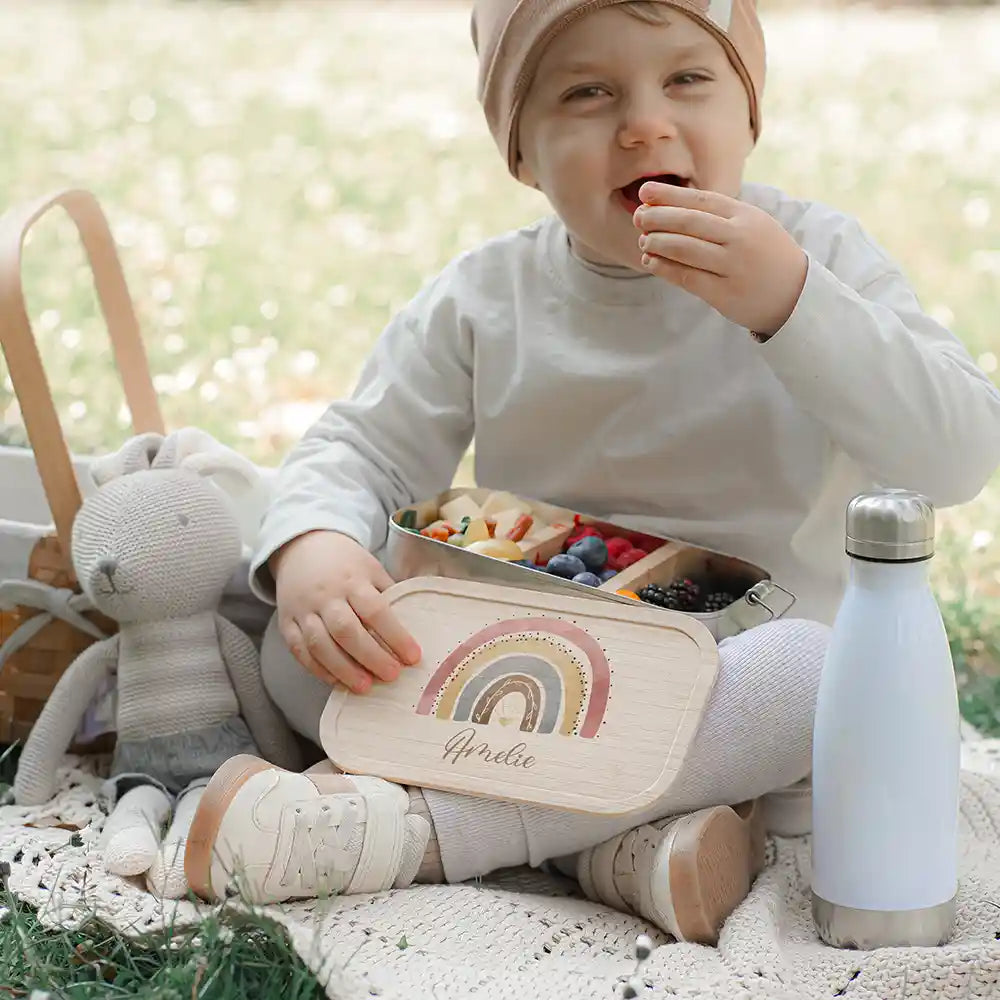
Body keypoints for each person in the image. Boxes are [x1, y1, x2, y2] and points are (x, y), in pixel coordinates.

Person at [182, 0, 1000, 944]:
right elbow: (358, 448)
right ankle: (615, 848)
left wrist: (795, 306)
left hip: (732, 682)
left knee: (816, 670)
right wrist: (316, 552)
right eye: (587, 91)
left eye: (689, 80)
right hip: (530, 681)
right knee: (304, 640)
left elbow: (960, 455)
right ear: (521, 153)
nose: (646, 123)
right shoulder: (489, 296)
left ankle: (416, 837)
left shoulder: (821, 261)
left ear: (750, 116)